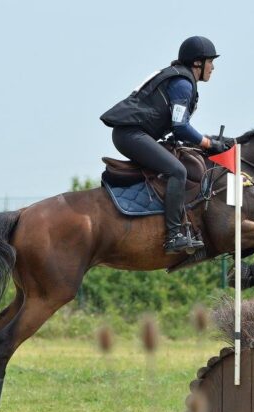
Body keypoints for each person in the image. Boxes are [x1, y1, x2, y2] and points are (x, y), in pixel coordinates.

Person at [100, 36, 231, 254]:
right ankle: (174, 235)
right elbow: (180, 126)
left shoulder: (182, 79)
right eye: (210, 61)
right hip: (131, 135)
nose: (213, 67)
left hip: (137, 133)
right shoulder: (182, 84)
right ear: (197, 63)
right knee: (177, 171)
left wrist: (205, 142)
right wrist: (209, 143)